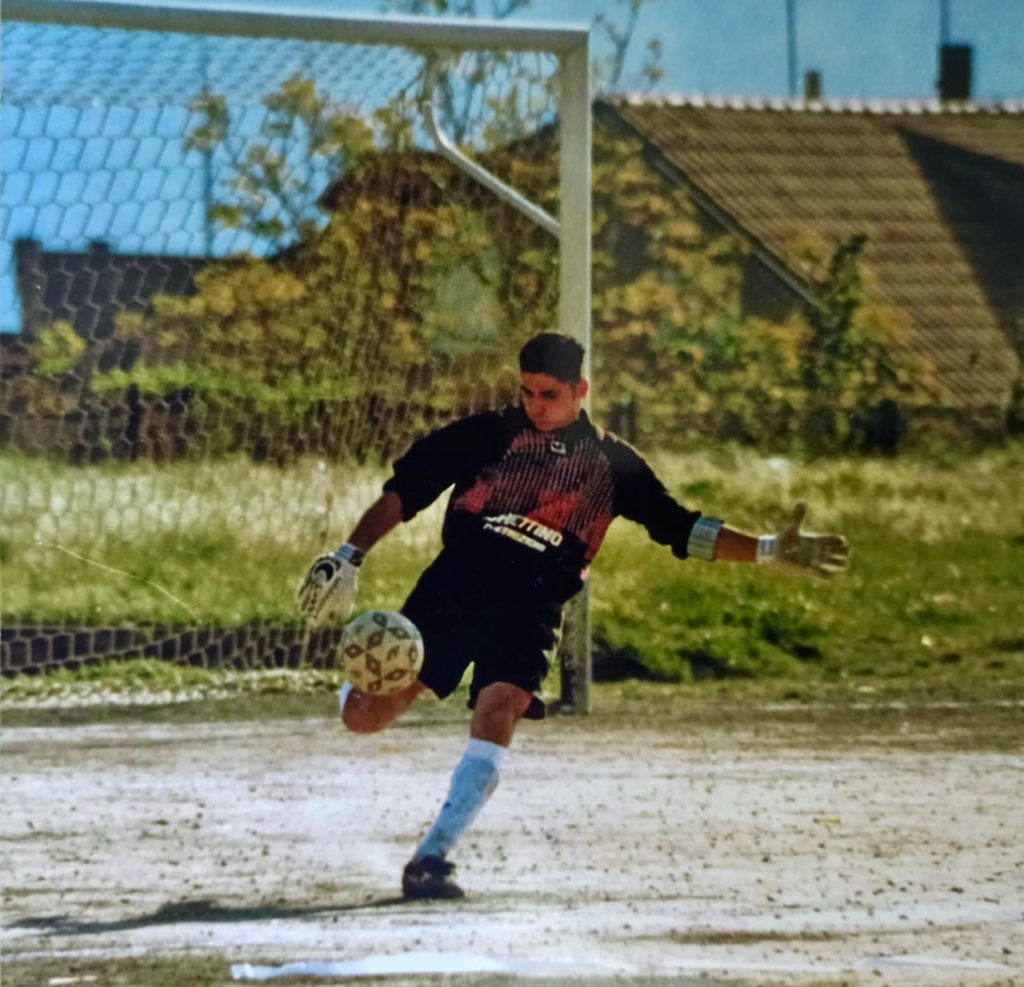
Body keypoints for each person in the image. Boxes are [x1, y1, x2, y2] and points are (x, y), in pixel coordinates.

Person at [297, 332, 848, 900]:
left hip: (533, 604)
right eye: (527, 392)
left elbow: (680, 528)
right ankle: (364, 665)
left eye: (550, 394)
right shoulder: (490, 433)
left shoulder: (612, 462)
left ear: (581, 390)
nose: (535, 405)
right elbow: (406, 491)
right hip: (457, 586)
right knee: (365, 718)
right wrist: (349, 554)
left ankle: (432, 858)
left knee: (499, 709)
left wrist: (766, 549)